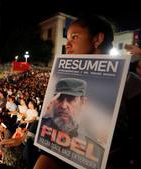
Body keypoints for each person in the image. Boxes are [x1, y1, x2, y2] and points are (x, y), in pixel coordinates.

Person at [34, 15, 140, 169]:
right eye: (61, 98)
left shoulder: (129, 81)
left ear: (97, 39)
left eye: (74, 37)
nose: (68, 44)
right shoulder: (63, 77)